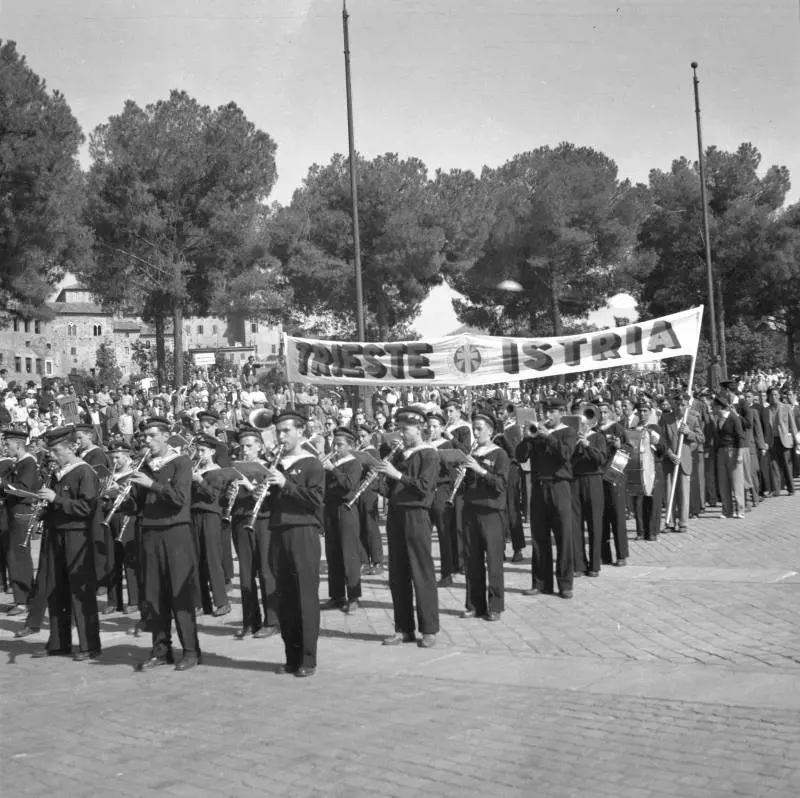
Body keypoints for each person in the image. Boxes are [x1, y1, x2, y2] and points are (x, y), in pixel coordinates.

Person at [120, 417, 201, 671]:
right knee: (154, 595)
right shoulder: (144, 465)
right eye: (145, 437)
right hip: (150, 534)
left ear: (166, 436)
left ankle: (190, 651)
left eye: (153, 436)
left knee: (180, 593)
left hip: (176, 532)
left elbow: (179, 499)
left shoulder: (181, 462)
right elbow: (136, 506)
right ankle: (160, 650)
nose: (148, 441)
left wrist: (152, 485)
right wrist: (121, 497)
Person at [31, 425, 101, 660]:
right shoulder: (55, 473)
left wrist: (56, 499)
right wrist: (41, 511)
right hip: (56, 534)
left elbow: (87, 507)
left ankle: (89, 645)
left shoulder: (84, 472)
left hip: (77, 536)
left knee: (80, 590)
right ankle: (59, 642)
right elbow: (55, 505)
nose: (51, 454)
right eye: (50, 450)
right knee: (56, 588)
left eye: (56, 450)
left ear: (71, 447)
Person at [267, 410, 325, 677]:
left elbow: (315, 501)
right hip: (278, 531)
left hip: (303, 532)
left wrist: (285, 483)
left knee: (305, 596)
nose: (281, 436)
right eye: (278, 431)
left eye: (286, 431)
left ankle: (308, 659)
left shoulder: (312, 463)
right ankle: (291, 656)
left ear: (300, 431)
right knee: (285, 597)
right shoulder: (276, 462)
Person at [375, 407, 440, 648]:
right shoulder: (400, 455)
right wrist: (382, 476)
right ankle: (403, 628)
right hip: (396, 514)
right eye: (400, 429)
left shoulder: (429, 455)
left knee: (421, 572)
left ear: (420, 429)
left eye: (406, 429)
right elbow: (390, 491)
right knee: (398, 574)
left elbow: (424, 487)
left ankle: (429, 629)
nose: (402, 434)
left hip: (416, 515)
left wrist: (397, 475)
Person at [516, 397, 577, 599]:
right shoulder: (536, 434)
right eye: (544, 412)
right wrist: (527, 438)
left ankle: (565, 584)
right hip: (539, 487)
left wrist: (548, 437)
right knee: (539, 537)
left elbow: (566, 454)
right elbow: (521, 457)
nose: (547, 416)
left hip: (559, 487)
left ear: (560, 413)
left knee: (563, 536)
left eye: (551, 412)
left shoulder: (567, 432)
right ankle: (541, 583)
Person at [460, 412, 509, 622]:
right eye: (474, 429)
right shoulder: (472, 453)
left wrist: (480, 470)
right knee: (473, 560)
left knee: (494, 560)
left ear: (490, 431)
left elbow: (500, 485)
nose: (476, 433)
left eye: (480, 429)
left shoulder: (500, 454)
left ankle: (495, 606)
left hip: (491, 512)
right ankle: (474, 604)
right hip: (471, 509)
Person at [321, 426, 363, 613]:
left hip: (347, 510)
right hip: (330, 509)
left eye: (340, 444)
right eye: (334, 443)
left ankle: (354, 596)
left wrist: (332, 470)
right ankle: (336, 595)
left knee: (349, 554)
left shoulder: (354, 463)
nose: (335, 447)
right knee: (333, 553)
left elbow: (349, 485)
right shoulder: (332, 462)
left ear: (350, 446)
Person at [0, 428, 41, 614]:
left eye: (7, 444)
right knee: (13, 554)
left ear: (18, 444)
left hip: (21, 512)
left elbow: (22, 488)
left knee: (18, 555)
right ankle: (23, 597)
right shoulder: (18, 463)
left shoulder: (28, 463)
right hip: (12, 511)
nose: (5, 447)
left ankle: (23, 599)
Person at [190, 434, 231, 618]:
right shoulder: (197, 469)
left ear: (212, 452)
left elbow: (214, 496)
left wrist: (200, 481)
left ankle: (222, 602)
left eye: (203, 451)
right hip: (194, 515)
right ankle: (200, 603)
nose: (199, 454)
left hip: (210, 516)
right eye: (198, 451)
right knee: (196, 559)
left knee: (212, 558)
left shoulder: (217, 472)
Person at [425, 410, 459, 587]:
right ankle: (425, 572)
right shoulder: (424, 444)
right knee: (424, 534)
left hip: (441, 490)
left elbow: (451, 469)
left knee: (444, 533)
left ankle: (447, 573)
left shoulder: (447, 444)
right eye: (429, 426)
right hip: (426, 492)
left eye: (435, 426)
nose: (431, 429)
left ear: (442, 428)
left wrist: (434, 452)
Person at [662, 393, 704, 533]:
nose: (679, 408)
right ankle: (669, 522)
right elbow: (661, 439)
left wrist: (689, 432)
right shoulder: (666, 418)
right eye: (678, 404)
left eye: (683, 405)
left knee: (684, 493)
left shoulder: (692, 419)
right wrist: (669, 453)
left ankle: (683, 523)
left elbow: (701, 438)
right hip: (669, 461)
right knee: (669, 493)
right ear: (674, 405)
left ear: (687, 406)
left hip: (684, 460)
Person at [492, 403, 525, 562]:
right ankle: (500, 549)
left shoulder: (514, 428)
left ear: (509, 414)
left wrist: (502, 437)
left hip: (511, 471)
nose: (498, 415)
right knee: (499, 511)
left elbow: (515, 453)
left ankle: (518, 549)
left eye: (501, 412)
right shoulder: (496, 429)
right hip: (498, 471)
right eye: (497, 412)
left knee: (512, 510)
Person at [712, 394, 746, 518]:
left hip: (733, 451)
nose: (713, 408)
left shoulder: (733, 418)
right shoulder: (718, 419)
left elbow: (740, 437)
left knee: (737, 482)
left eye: (714, 406)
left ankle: (740, 509)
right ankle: (727, 510)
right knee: (723, 482)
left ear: (720, 407)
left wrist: (740, 455)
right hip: (721, 452)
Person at [767, 387, 799, 495]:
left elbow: (792, 424)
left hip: (784, 440)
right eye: (772, 395)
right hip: (772, 440)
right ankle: (776, 490)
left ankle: (791, 489)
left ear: (779, 396)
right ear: (769, 396)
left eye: (776, 394)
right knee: (774, 465)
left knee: (786, 465)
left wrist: (796, 440)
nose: (774, 397)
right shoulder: (767, 410)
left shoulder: (786, 407)